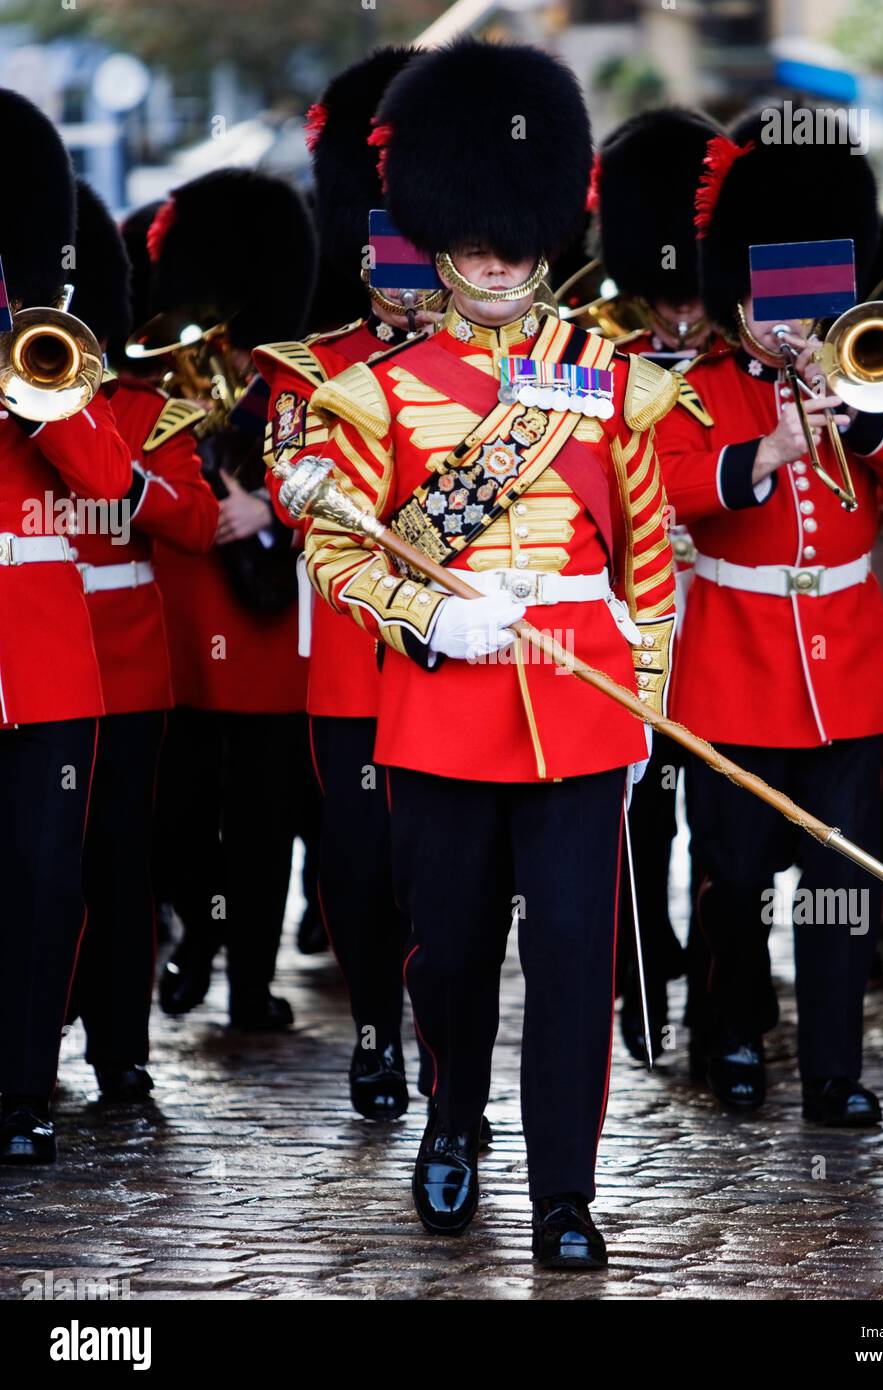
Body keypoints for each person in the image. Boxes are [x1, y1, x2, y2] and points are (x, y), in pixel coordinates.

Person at [287, 38, 678, 1268]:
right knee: (448, 947)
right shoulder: (377, 397)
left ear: (547, 230)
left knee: (571, 957)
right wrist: (430, 617)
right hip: (445, 703)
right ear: (437, 233)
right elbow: (339, 559)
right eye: (475, 236)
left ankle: (564, 1190)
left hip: (580, 700)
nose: (498, 259)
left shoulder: (608, 383)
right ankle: (452, 1117)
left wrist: (642, 714)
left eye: (516, 236)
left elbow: (652, 565)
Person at [656, 113, 883, 1125]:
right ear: (735, 297)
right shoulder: (696, 394)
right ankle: (730, 1035)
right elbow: (659, 489)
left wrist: (860, 414)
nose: (790, 323)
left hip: (847, 671)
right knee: (731, 875)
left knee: (841, 883)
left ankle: (833, 1065)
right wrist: (770, 453)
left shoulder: (863, 379)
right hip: (733, 668)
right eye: (770, 300)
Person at [255, 47, 441, 1119]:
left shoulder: (503, 370)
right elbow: (294, 488)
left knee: (447, 881)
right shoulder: (311, 370)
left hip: (458, 658)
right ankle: (376, 1034)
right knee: (363, 871)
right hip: (355, 666)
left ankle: (442, 1051)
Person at [142, 170, 317, 1030]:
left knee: (262, 822)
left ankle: (250, 981)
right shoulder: (169, 384)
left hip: (266, 639)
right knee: (177, 814)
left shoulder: (301, 389)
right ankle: (200, 939)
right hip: (182, 632)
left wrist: (268, 508)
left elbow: (338, 482)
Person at [0, 92, 132, 1163]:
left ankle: (22, 1087)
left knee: (45, 881)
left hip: (43, 664)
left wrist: (32, 390)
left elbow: (107, 484)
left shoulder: (47, 357)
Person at [65, 180, 217, 1102]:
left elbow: (196, 523)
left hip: (120, 673)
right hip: (27, 669)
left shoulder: (143, 410)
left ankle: (120, 1043)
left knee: (120, 866)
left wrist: (116, 476)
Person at [592, 106, 721, 1062]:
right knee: (640, 810)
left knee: (718, 823)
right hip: (632, 623)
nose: (682, 311)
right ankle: (641, 986)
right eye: (667, 298)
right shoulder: (605, 369)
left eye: (694, 297)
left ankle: (719, 1001)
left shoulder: (743, 367)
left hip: (724, 630)